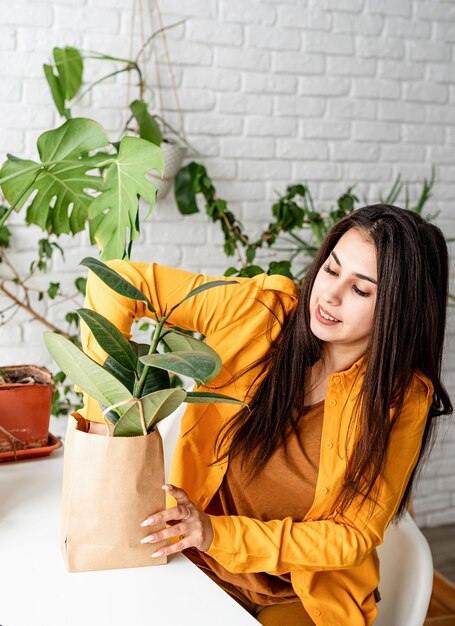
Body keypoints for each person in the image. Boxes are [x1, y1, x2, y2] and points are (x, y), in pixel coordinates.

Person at [81, 204, 452, 626]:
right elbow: (116, 283)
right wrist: (104, 424)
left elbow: (352, 535)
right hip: (196, 568)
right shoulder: (261, 311)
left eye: (361, 290)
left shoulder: (400, 399)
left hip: (299, 597)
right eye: (331, 271)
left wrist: (215, 532)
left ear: (397, 310)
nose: (329, 295)